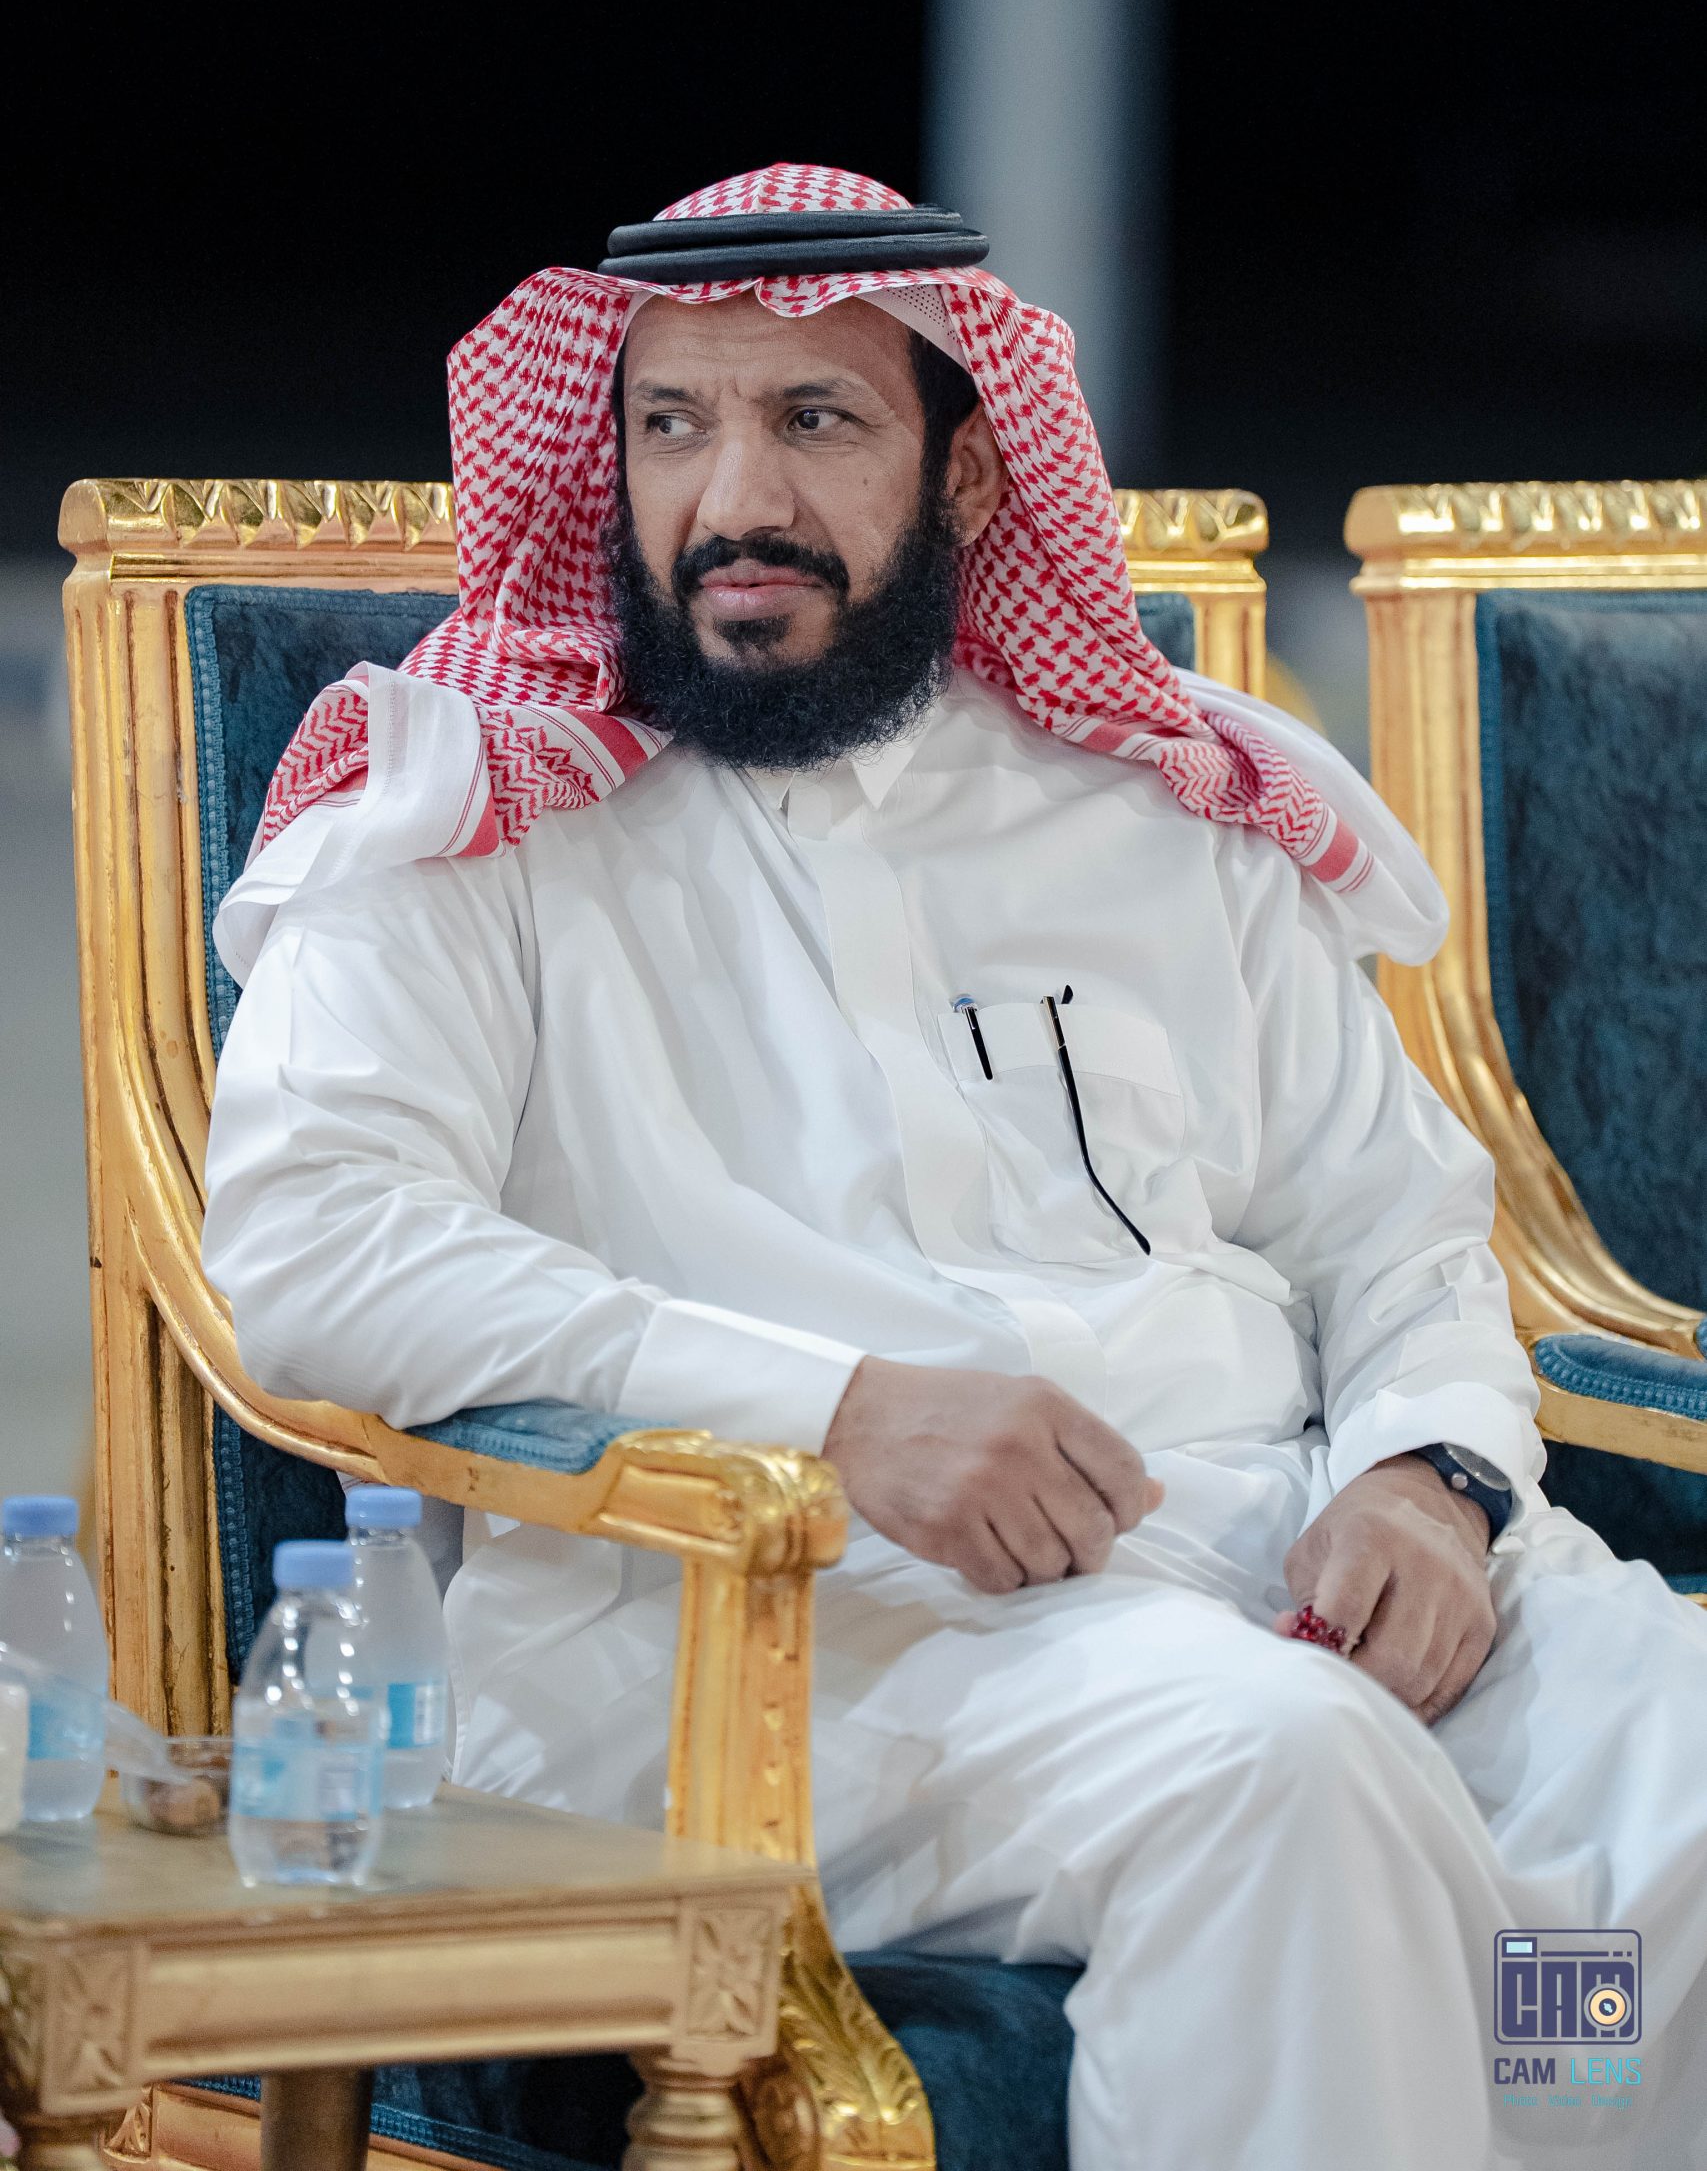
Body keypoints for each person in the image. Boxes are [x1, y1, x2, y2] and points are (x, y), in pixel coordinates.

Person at [202, 165, 1707, 2171]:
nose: (733, 497)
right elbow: (316, 1247)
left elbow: (1392, 1222)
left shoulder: (1159, 804)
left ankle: (1539, 2116)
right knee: (1280, 1771)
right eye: (673, 423)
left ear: (975, 475)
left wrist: (1427, 1479)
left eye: (815, 420)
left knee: (1669, 1764)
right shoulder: (467, 814)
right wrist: (840, 1411)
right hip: (786, 1635)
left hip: (1263, 1563)